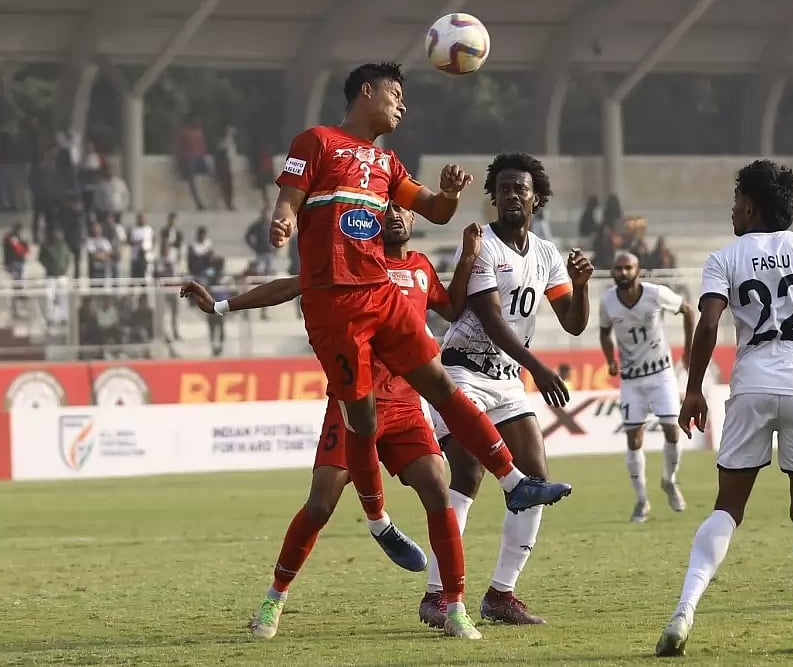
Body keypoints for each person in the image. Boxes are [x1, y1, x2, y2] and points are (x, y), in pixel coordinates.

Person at [267, 63, 573, 565]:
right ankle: (378, 521)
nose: (402, 105)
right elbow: (289, 199)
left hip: (377, 297)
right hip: (336, 307)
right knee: (358, 428)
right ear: (366, 91)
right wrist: (282, 221)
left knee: (440, 384)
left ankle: (513, 484)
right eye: (395, 94)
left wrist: (449, 192)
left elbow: (433, 209)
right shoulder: (316, 141)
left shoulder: (388, 166)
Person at [182, 206, 486, 640]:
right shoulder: (356, 266)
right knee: (321, 504)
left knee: (438, 487)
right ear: (373, 222)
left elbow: (454, 307)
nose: (397, 215)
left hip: (402, 404)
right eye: (388, 209)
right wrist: (220, 306)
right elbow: (289, 287)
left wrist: (468, 255)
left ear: (416, 221)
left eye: (404, 209)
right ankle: (274, 599)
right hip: (352, 401)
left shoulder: (420, 268)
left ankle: (454, 605)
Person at [653, 160, 793, 656]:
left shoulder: (724, 258)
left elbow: (707, 326)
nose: (731, 210)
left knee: (728, 507)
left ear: (749, 205)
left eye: (735, 201)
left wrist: (694, 389)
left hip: (751, 385)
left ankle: (684, 612)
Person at [418, 152, 594, 629]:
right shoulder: (482, 246)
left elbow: (575, 324)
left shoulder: (547, 254)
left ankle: (501, 595)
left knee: (535, 478)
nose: (513, 195)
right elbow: (491, 319)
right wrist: (537, 367)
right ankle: (438, 594)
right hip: (461, 371)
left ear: (537, 197)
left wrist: (581, 287)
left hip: (505, 378)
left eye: (522, 188)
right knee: (467, 473)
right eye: (505, 188)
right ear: (493, 197)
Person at [598, 251, 693, 523]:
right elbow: (604, 332)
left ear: (638, 271)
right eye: (618, 268)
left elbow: (687, 309)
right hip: (631, 379)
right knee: (633, 438)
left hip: (661, 373)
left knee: (672, 429)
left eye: (628, 268)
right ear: (613, 271)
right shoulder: (607, 301)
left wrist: (688, 350)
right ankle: (642, 501)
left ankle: (669, 480)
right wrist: (609, 359)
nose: (623, 273)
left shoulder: (655, 293)